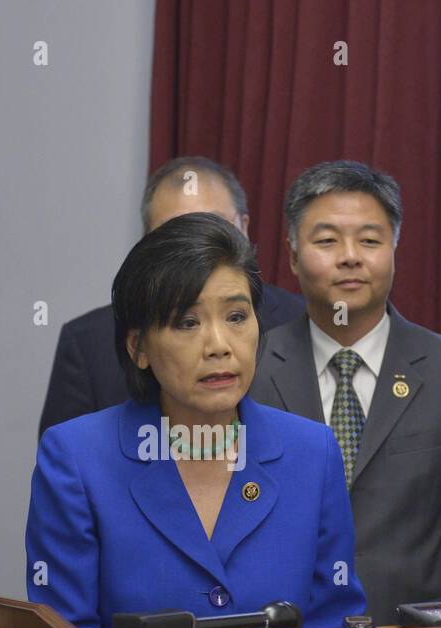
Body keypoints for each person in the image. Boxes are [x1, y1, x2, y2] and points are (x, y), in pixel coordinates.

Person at [27, 213, 365, 628]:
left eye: (237, 317)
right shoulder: (76, 457)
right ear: (139, 347)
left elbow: (333, 626)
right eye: (188, 322)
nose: (219, 345)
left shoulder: (312, 451)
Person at [251, 160, 441, 626]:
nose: (350, 256)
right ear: (292, 256)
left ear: (394, 248)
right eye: (327, 240)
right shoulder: (249, 368)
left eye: (369, 240)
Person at [38, 155, 305, 436]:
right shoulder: (87, 342)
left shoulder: (298, 320)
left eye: (214, 227)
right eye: (187, 322)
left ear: (244, 228)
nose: (198, 250)